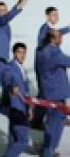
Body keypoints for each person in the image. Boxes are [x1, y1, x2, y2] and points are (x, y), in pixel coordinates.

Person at [38, 28, 70, 157]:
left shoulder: (44, 50)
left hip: (51, 92)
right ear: (52, 39)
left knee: (56, 123)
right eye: (58, 36)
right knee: (54, 125)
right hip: (56, 95)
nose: (61, 38)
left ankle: (48, 150)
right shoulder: (54, 53)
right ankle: (48, 153)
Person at [1, 42, 31, 157]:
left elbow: (25, 90)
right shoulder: (9, 67)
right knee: (23, 140)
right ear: (14, 53)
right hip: (15, 107)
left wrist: (30, 107)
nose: (22, 55)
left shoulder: (22, 69)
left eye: (24, 53)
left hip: (21, 107)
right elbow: (7, 81)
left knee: (13, 139)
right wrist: (11, 88)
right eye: (19, 52)